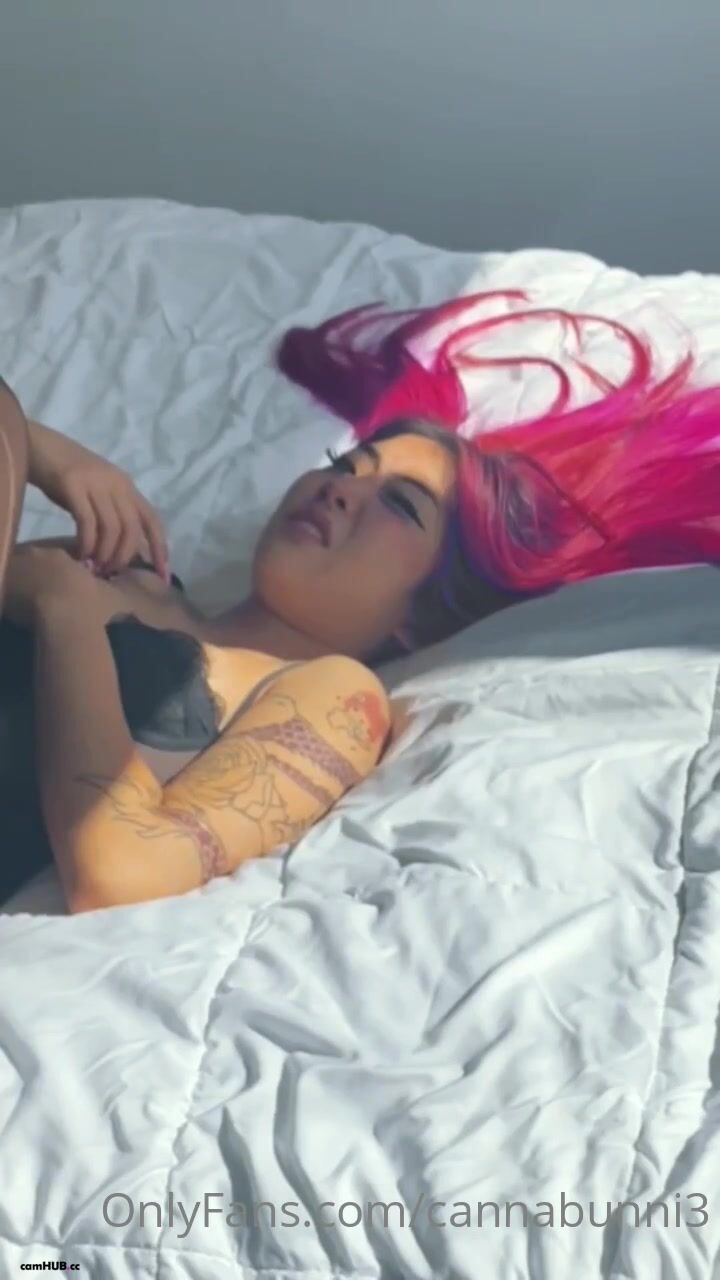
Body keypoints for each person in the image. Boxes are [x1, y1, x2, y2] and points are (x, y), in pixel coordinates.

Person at [3, 290, 720, 915]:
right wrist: (46, 452)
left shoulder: (329, 694)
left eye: (401, 506)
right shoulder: (129, 569)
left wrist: (66, 614)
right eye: (344, 465)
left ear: (426, 614)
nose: (339, 489)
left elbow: (121, 872)